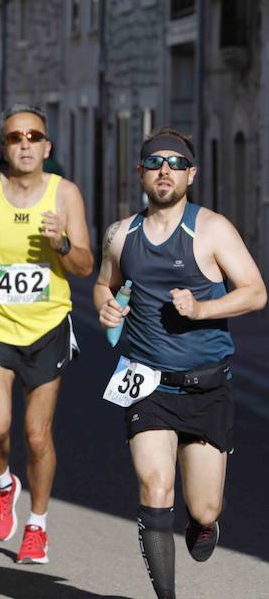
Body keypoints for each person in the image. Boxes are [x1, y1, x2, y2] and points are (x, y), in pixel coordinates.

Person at [94, 127, 266, 599]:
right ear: (141, 173)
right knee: (155, 488)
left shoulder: (211, 229)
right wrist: (105, 306)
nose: (163, 169)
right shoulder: (121, 234)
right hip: (146, 382)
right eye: (154, 162)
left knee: (205, 507)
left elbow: (255, 291)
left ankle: (205, 524)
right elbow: (103, 283)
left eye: (174, 162)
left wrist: (203, 309)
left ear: (190, 174)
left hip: (208, 387)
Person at [0, 104, 94, 563]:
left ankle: (37, 525)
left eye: (34, 136)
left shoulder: (65, 195)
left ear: (47, 147)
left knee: (37, 436)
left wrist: (63, 244)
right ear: (5, 147)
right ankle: (2, 483)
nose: (26, 144)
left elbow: (85, 266)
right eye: (16, 137)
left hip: (49, 324)